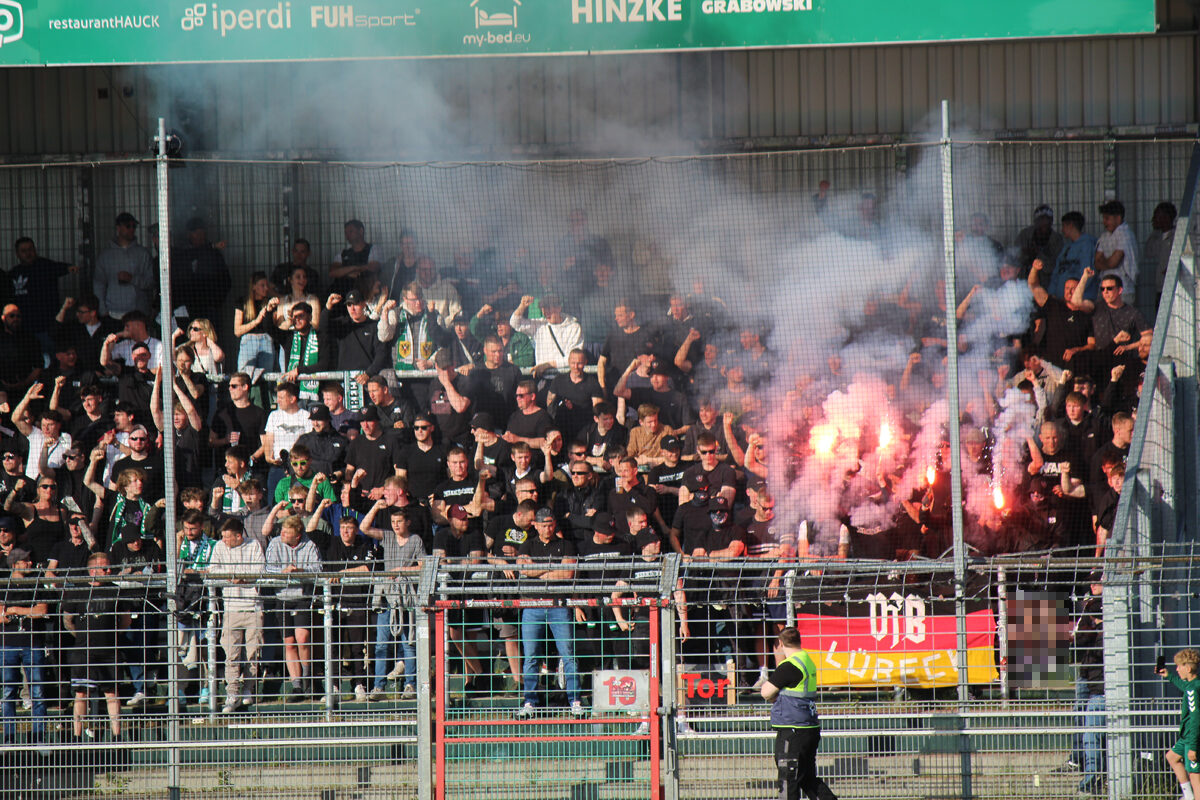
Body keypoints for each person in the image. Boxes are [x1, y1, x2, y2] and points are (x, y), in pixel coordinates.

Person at [515, 508, 584, 718]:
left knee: (568, 654)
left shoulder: (566, 544)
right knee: (531, 657)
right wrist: (553, 568)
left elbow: (567, 573)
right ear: (535, 525)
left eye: (551, 524)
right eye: (544, 525)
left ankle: (575, 700)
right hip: (533, 605)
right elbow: (523, 569)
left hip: (558, 605)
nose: (548, 528)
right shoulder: (527, 544)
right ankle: (530, 702)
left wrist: (538, 570)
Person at [760, 627, 837, 800]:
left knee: (788, 781)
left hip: (792, 730)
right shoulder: (807, 660)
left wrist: (775, 697)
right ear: (799, 641)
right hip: (809, 728)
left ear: (780, 644)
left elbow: (766, 692)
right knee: (807, 779)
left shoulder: (790, 665)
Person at [62, 552, 130, 742]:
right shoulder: (77, 592)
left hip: (109, 650)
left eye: (109, 567)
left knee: (112, 692)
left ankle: (117, 736)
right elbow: (68, 621)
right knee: (81, 693)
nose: (109, 571)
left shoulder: (116, 591)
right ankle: (76, 737)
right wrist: (82, 636)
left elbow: (125, 620)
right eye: (104, 568)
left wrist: (112, 635)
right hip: (83, 650)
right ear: (92, 570)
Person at [206, 518, 265, 713]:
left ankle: (248, 689)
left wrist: (237, 576)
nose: (223, 539)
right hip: (230, 608)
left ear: (239, 536)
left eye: (227, 537)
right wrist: (236, 576)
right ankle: (232, 693)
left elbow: (259, 570)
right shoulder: (219, 547)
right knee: (231, 654)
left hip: (253, 607)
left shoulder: (254, 545)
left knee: (252, 653)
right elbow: (213, 570)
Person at [0, 547, 50, 746]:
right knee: (8, 692)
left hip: (33, 644)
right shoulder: (4, 585)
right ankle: (9, 739)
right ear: (14, 564)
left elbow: (41, 610)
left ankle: (39, 739)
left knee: (38, 692)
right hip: (7, 645)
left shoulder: (36, 583)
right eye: (25, 561)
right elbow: (1, 617)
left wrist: (14, 610)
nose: (29, 563)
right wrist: (25, 611)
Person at [9, 237, 78, 356]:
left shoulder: (45, 266)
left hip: (48, 329)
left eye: (30, 249)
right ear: (17, 254)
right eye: (23, 251)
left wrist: (69, 268)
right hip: (25, 331)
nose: (28, 253)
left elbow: (61, 268)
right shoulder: (13, 274)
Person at [93, 212, 155, 320]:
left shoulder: (143, 253)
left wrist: (132, 279)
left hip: (138, 314)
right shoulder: (105, 256)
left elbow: (150, 283)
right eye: (128, 226)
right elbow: (98, 285)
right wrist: (103, 311)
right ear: (118, 228)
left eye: (134, 226)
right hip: (113, 313)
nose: (131, 229)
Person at [1159, 648, 1200, 800]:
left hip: (1192, 737)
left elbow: (1196, 718)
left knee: (1195, 776)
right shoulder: (1194, 685)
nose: (1177, 669)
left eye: (1179, 666)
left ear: (1187, 668)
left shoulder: (1193, 690)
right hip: (1186, 737)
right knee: (1172, 757)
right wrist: (1169, 676)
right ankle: (1188, 796)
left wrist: (1193, 747)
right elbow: (1186, 688)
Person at [510, 294, 584, 375]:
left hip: (565, 376)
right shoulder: (540, 325)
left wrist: (548, 365)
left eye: (548, 308)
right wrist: (522, 306)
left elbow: (574, 358)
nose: (545, 312)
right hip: (544, 378)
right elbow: (514, 323)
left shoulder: (574, 327)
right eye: (543, 309)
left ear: (558, 308)